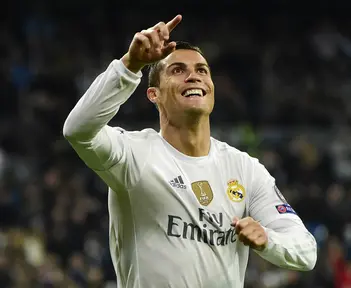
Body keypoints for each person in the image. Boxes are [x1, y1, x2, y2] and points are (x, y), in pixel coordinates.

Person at [63, 14, 317, 288]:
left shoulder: (245, 168)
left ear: (212, 89)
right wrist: (130, 65)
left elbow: (306, 250)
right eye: (177, 70)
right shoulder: (133, 155)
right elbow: (77, 130)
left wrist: (269, 239)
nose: (193, 76)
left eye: (202, 70)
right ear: (154, 94)